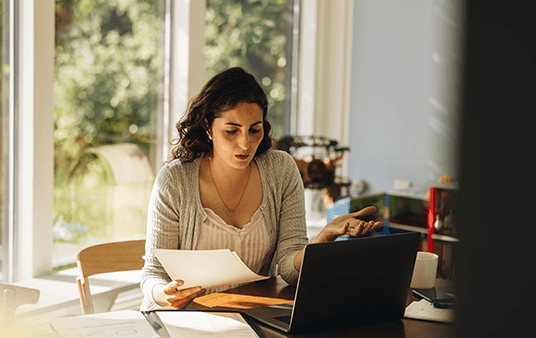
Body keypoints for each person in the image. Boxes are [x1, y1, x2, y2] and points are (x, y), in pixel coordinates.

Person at [140, 67, 382, 311]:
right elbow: (153, 273)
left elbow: (289, 269)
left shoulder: (281, 170)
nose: (245, 143)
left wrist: (321, 240)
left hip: (249, 319)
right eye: (231, 131)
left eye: (254, 129)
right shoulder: (175, 179)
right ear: (207, 126)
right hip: (183, 320)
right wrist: (165, 293)